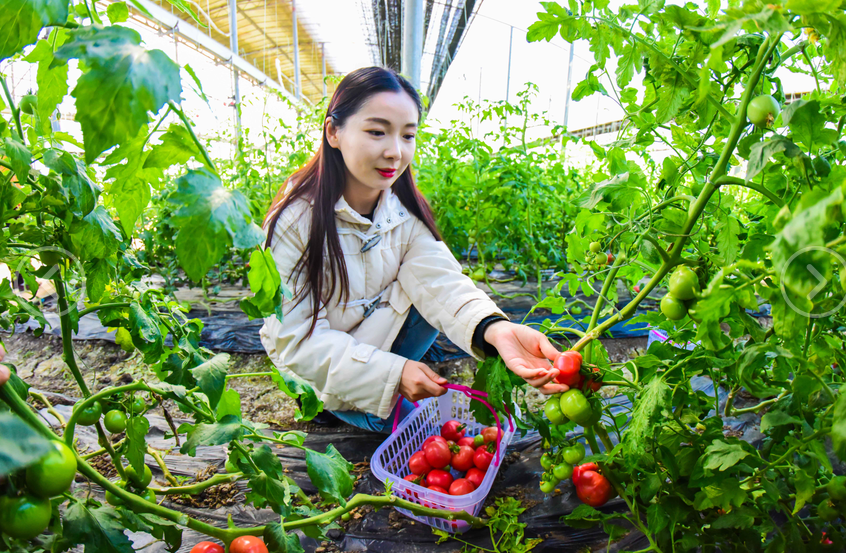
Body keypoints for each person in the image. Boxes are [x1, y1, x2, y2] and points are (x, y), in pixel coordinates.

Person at [259, 66, 568, 433]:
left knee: (425, 287)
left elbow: (441, 280)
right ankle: (335, 404)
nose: (395, 152)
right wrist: (392, 373)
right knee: (417, 431)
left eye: (408, 135)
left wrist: (496, 329)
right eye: (377, 132)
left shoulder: (401, 210)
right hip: (315, 372)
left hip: (373, 338)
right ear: (333, 132)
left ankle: (386, 385)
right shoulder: (295, 222)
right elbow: (298, 341)